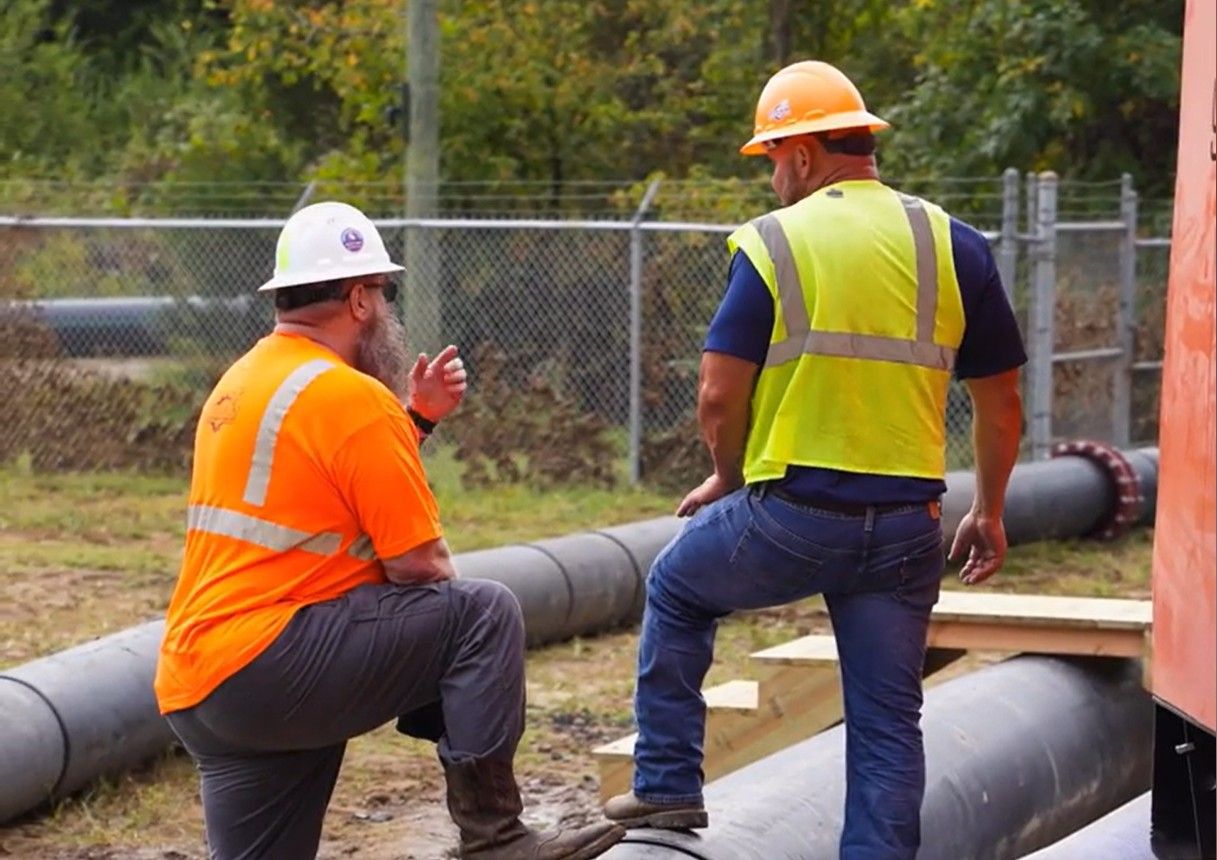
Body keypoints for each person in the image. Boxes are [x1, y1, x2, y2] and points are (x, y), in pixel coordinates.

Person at [603, 61, 1025, 859]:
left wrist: (729, 479)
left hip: (793, 513)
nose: (771, 177)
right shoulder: (953, 243)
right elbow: (1000, 402)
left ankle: (665, 786)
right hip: (909, 525)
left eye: (770, 159)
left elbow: (717, 394)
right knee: (886, 721)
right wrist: (990, 510)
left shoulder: (774, 242)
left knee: (677, 584)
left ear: (800, 153)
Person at [154, 201, 624, 860]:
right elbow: (420, 568)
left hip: (202, 685)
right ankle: (497, 840)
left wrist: (416, 421)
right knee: (480, 613)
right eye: (381, 292)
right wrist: (454, 690)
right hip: (275, 663)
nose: (385, 308)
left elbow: (323, 481)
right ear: (355, 300)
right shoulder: (350, 396)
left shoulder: (245, 381)